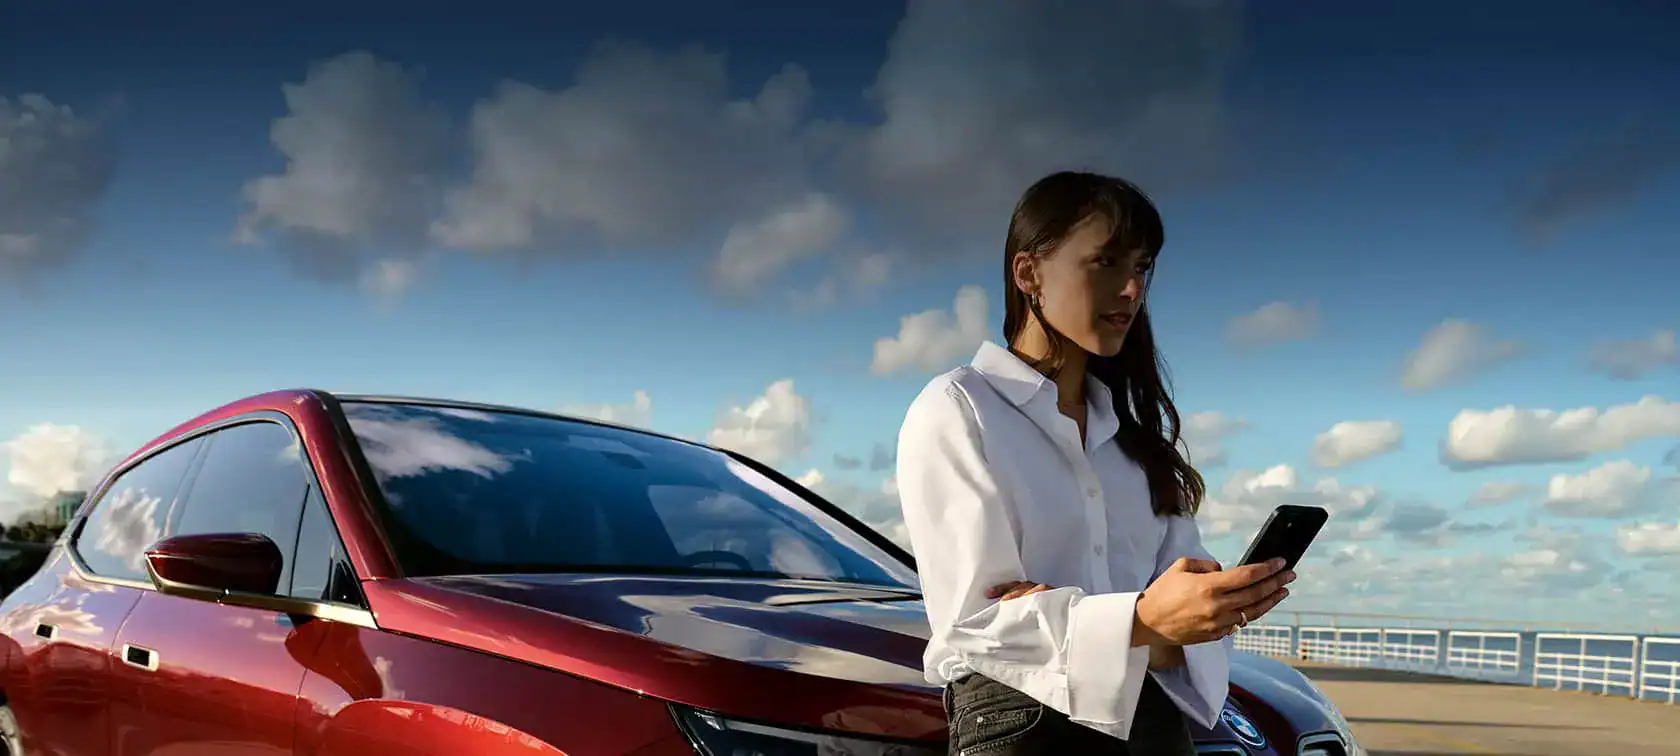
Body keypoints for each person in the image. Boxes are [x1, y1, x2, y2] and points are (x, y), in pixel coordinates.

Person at [895, 170, 1296, 755]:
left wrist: (1148, 619)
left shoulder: (1138, 448)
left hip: (1151, 722)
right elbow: (974, 624)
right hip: (1021, 724)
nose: (1132, 288)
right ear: (1028, 272)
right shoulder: (959, 408)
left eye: (1142, 267)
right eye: (1106, 262)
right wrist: (1141, 620)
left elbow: (1186, 619)